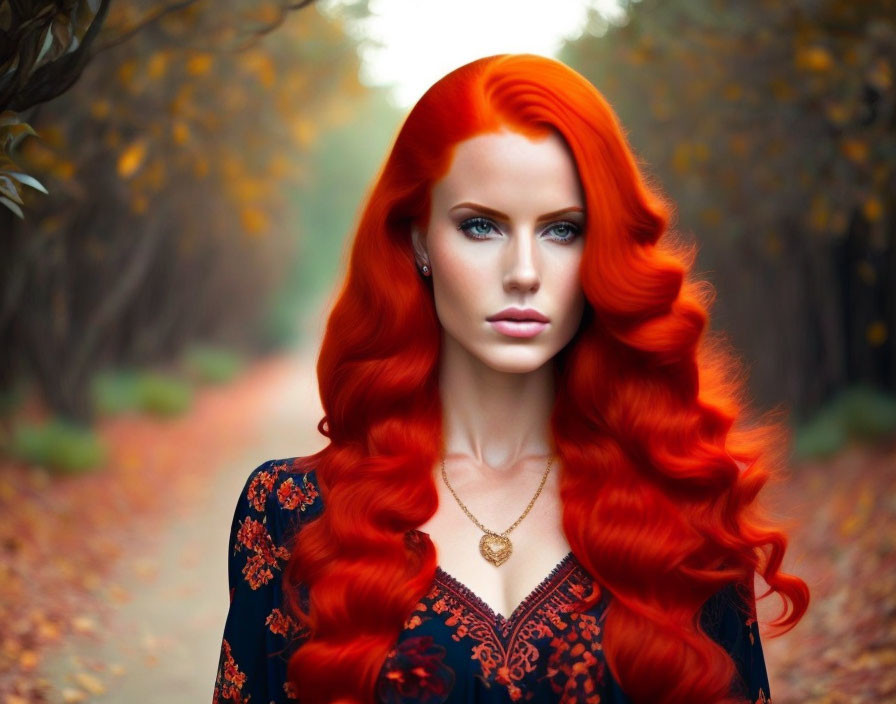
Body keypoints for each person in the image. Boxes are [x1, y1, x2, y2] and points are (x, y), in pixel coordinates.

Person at [213, 53, 809, 704]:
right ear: (417, 240)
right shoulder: (292, 513)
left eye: (562, 229)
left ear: (603, 248)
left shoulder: (688, 509)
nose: (523, 270)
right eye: (481, 225)